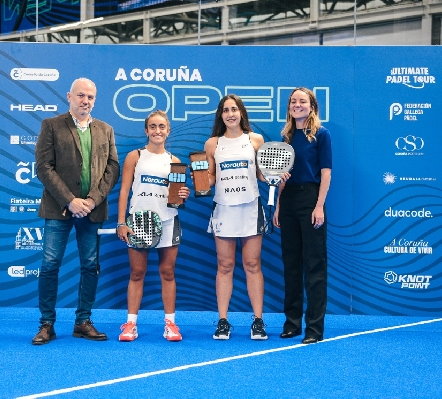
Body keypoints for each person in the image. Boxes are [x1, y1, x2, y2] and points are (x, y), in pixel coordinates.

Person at [31, 77, 120, 345]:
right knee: (49, 266)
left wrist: (92, 200)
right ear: (69, 96)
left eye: (90, 97)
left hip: (92, 210)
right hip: (59, 208)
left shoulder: (106, 129)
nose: (86, 101)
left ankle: (83, 321)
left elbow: (112, 167)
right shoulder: (52, 125)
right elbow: (43, 167)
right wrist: (70, 200)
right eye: (81, 96)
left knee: (90, 266)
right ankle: (47, 324)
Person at [116, 110, 190, 342]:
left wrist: (183, 194)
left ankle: (170, 324)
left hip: (169, 221)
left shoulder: (175, 162)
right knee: (137, 273)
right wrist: (121, 222)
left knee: (168, 272)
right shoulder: (134, 156)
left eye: (162, 127)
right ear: (146, 130)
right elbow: (125, 190)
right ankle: (130, 324)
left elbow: (176, 197)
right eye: (153, 127)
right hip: (137, 222)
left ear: (168, 131)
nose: (157, 131)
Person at [204, 94, 268, 340]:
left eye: (234, 109)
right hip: (224, 210)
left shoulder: (255, 140)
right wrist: (199, 181)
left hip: (250, 209)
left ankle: (258, 321)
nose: (230, 114)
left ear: (241, 113)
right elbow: (211, 178)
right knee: (225, 266)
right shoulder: (212, 144)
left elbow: (262, 174)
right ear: (221, 115)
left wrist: (276, 175)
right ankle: (223, 321)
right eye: (225, 110)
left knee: (252, 265)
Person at [273, 87, 332, 344]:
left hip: (311, 198)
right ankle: (292, 323)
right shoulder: (285, 137)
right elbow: (281, 177)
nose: (297, 105)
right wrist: (277, 206)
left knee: (314, 265)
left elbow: (326, 173)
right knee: (291, 264)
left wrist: (319, 206)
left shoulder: (321, 134)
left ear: (312, 106)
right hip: (287, 202)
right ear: (289, 107)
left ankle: (314, 329)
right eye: (293, 101)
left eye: (303, 101)